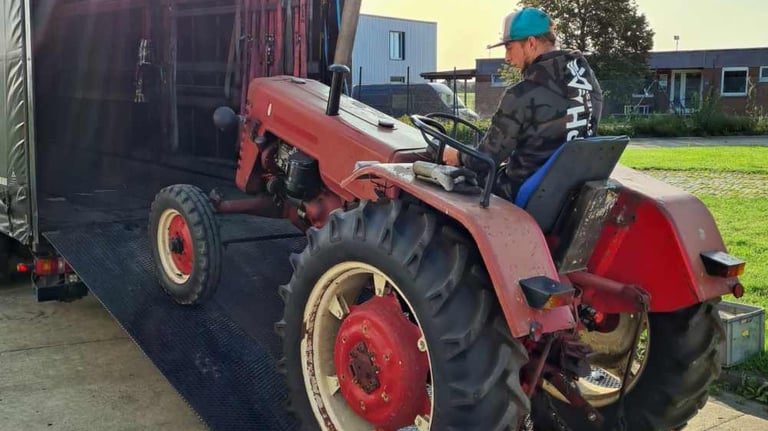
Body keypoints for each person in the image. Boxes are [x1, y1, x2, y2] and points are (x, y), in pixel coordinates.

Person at [445, 7, 603, 203]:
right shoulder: (588, 84)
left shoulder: (522, 95)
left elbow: (485, 160)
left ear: (530, 43)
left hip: (524, 193)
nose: (507, 57)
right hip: (569, 193)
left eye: (510, 48)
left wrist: (458, 156)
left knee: (448, 180)